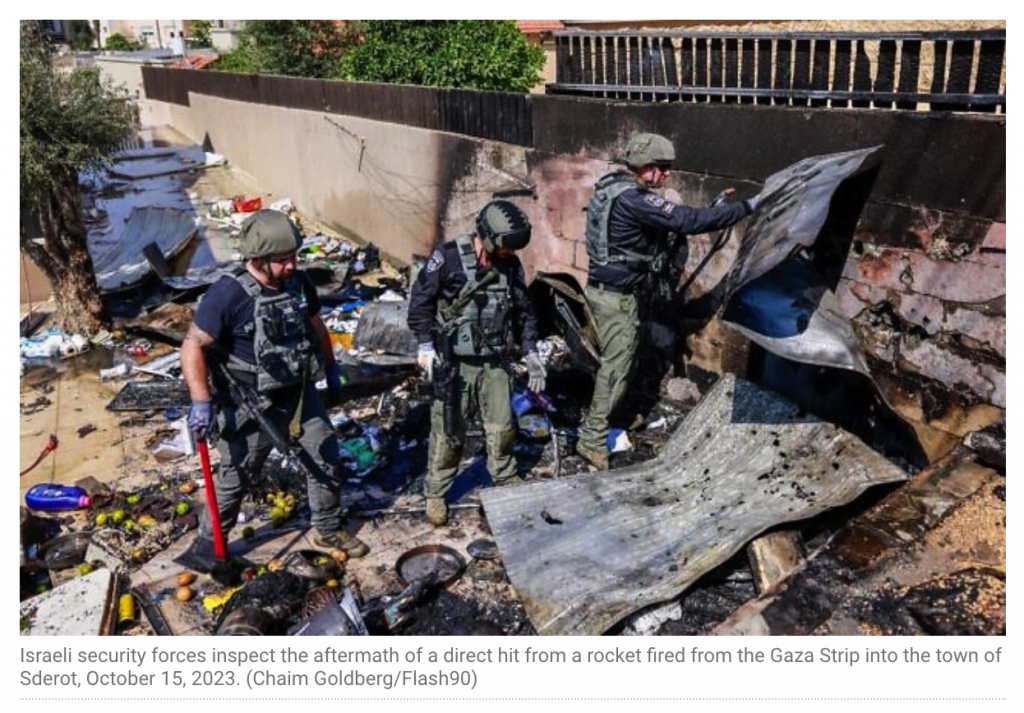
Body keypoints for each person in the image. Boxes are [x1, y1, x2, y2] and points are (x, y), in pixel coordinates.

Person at [181, 210, 367, 571]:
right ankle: (208, 544)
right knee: (236, 475)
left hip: (298, 394)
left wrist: (331, 368)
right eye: (282, 261)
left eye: (293, 257)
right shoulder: (228, 294)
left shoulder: (298, 283)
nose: (291, 266)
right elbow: (192, 346)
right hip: (251, 402)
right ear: (257, 259)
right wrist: (201, 402)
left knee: (324, 452)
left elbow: (316, 325)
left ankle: (327, 528)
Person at [576, 133, 758, 471]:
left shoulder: (611, 186)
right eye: (661, 169)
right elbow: (686, 221)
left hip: (615, 292)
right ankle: (591, 438)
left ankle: (620, 414)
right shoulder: (635, 199)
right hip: (616, 299)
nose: (666, 175)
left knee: (627, 361)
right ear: (643, 168)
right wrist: (748, 207)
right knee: (615, 368)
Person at [407, 200, 545, 527]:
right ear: (489, 238)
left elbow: (524, 311)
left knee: (502, 424)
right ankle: (437, 491)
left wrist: (531, 352)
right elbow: (420, 303)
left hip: (494, 359)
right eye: (507, 247)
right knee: (449, 431)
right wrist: (426, 345)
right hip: (453, 361)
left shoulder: (510, 266)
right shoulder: (448, 258)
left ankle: (505, 476)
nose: (512, 254)